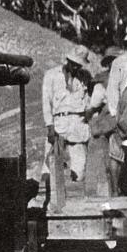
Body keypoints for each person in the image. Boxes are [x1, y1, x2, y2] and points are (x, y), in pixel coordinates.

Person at [41, 45, 93, 183]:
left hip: (78, 126)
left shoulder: (85, 77)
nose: (76, 67)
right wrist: (50, 126)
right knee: (50, 167)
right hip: (59, 124)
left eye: (79, 65)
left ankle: (74, 200)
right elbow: (46, 103)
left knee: (79, 170)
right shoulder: (51, 75)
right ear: (68, 60)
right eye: (73, 63)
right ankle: (44, 200)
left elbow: (90, 102)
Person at [106, 21, 127, 205]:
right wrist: (114, 114)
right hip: (124, 111)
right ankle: (114, 193)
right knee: (117, 151)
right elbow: (112, 90)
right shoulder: (120, 63)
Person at [88, 46, 123, 194]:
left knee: (115, 157)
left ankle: (115, 190)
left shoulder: (102, 81)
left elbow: (95, 103)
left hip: (114, 123)